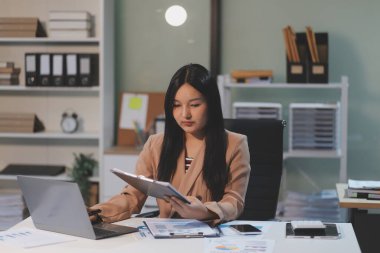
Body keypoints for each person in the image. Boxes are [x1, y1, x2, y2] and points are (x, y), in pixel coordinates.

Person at [91, 63, 251, 225]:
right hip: (166, 235)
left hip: (208, 236)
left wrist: (205, 211)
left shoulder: (235, 144)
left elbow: (234, 201)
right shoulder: (156, 144)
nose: (185, 114)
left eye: (195, 105)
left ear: (212, 104)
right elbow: (133, 196)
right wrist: (96, 213)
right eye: (176, 105)